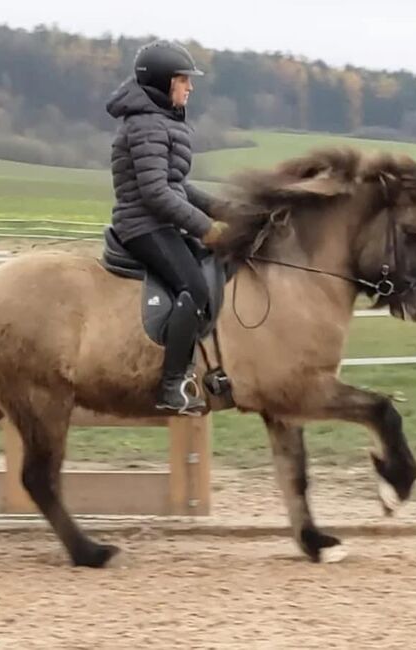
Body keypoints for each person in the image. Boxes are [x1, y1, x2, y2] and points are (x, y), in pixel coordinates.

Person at [106, 39, 228, 415]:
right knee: (193, 285)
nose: (190, 87)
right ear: (161, 83)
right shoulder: (146, 126)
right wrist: (207, 228)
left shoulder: (160, 122)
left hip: (159, 221)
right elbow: (157, 194)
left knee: (211, 269)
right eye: (182, 80)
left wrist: (226, 210)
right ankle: (172, 385)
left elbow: (178, 185)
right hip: (143, 226)